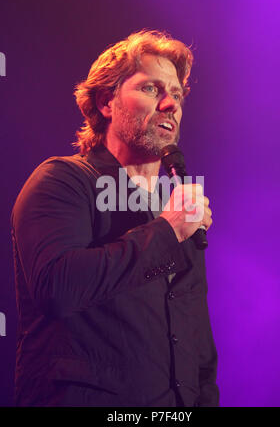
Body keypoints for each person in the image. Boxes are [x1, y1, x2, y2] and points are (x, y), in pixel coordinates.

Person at [11, 30, 219, 407]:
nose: (170, 104)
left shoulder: (173, 208)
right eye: (152, 89)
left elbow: (198, 347)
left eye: (177, 93)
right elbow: (57, 287)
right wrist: (168, 231)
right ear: (107, 102)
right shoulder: (62, 180)